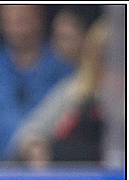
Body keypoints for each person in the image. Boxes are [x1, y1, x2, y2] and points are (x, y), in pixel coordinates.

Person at [0, 4, 73, 161]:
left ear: (39, 17)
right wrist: (21, 147)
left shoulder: (67, 71)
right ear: (1, 21)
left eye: (24, 18)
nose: (18, 28)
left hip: (56, 173)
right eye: (11, 19)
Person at [15, 18, 111, 167]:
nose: (116, 69)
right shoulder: (75, 92)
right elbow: (29, 134)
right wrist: (36, 149)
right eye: (105, 59)